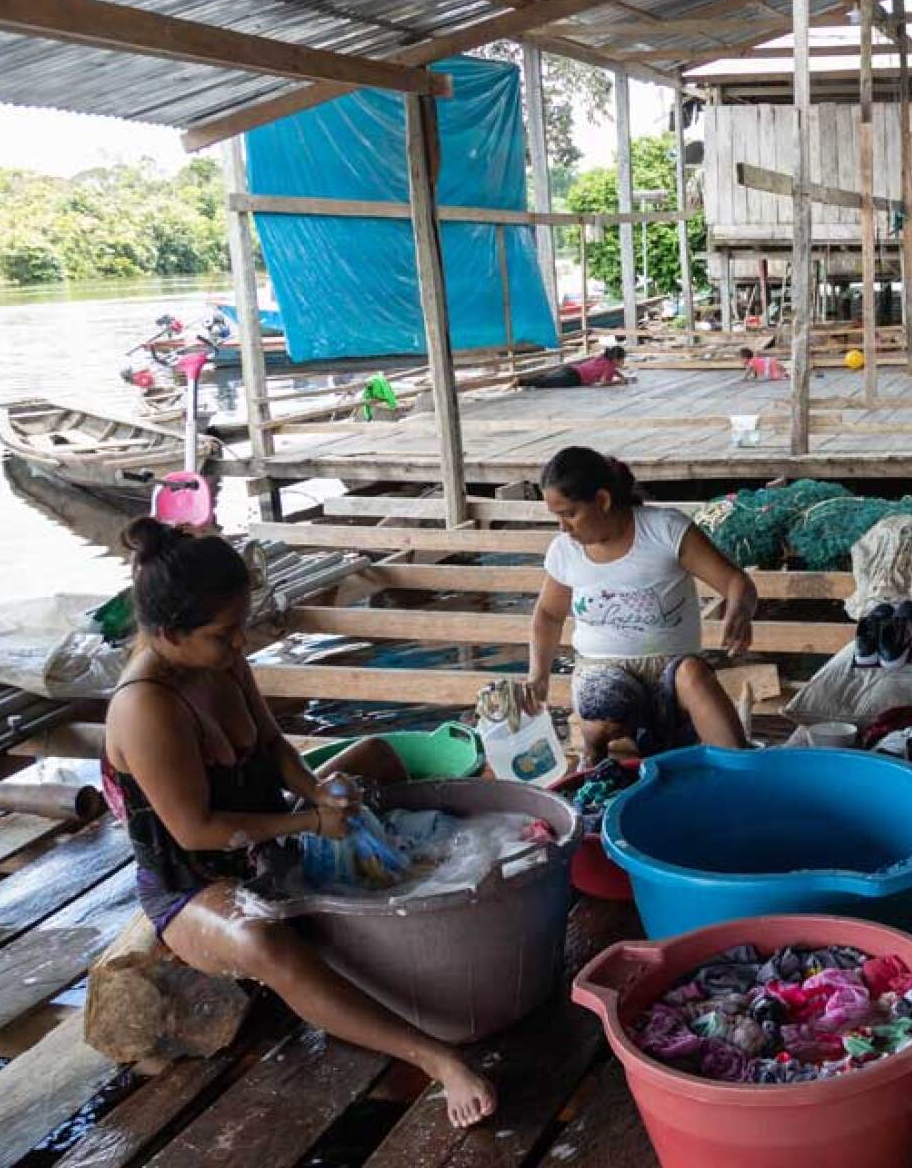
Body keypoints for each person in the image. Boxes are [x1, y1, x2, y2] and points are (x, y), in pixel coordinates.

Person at [100, 520, 496, 1128]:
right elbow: (196, 831)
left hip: (270, 833)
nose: (238, 647)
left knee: (375, 760)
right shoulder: (145, 705)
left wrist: (315, 792)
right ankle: (437, 1058)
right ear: (166, 634)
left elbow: (272, 742)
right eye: (223, 635)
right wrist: (309, 820)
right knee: (265, 941)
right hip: (196, 882)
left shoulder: (221, 658)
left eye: (239, 629)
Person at [527, 447, 756, 763]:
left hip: (671, 670)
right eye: (556, 516)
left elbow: (735, 582)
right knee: (603, 699)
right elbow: (549, 615)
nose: (563, 528)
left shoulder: (664, 530)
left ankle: (742, 771)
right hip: (602, 669)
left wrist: (740, 610)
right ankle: (594, 760)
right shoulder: (564, 551)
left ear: (603, 501)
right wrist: (539, 676)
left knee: (694, 674)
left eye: (569, 514)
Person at [518, 344, 630, 389]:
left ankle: (523, 381)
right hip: (575, 378)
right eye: (622, 359)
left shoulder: (604, 358)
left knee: (547, 377)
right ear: (616, 359)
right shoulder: (610, 367)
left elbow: (610, 369)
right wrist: (618, 382)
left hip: (571, 369)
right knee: (547, 383)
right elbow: (603, 383)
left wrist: (620, 375)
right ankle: (520, 382)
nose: (623, 362)